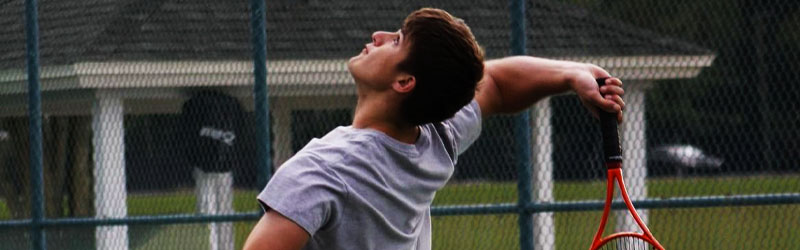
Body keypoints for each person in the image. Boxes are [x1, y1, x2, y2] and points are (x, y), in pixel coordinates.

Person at [243, 8, 625, 250]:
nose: (377, 36)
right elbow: (497, 84)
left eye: (395, 41)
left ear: (405, 82)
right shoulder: (435, 142)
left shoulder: (320, 169)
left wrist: (573, 75)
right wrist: (573, 73)